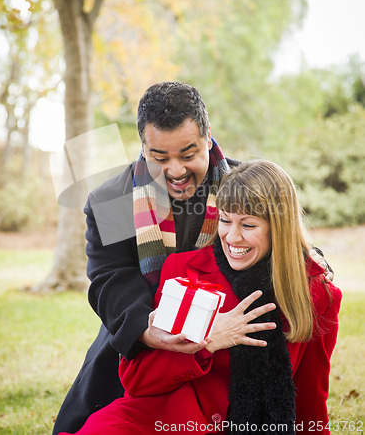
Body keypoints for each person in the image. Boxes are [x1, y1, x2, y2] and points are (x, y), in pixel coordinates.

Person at [53, 83, 332, 434]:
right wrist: (147, 330)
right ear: (143, 146)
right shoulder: (115, 201)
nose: (175, 170)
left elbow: (278, 235)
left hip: (229, 350)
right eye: (160, 157)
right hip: (145, 337)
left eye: (188, 155)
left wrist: (310, 260)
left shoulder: (241, 185)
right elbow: (111, 278)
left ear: (208, 136)